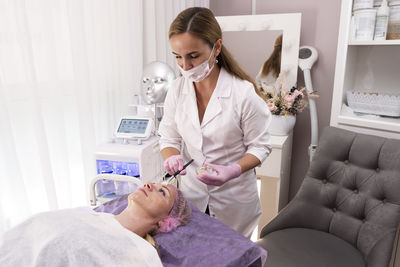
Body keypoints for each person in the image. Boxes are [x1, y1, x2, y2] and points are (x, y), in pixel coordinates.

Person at [158, 7, 272, 238]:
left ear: (216, 47)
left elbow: (260, 146)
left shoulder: (243, 94)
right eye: (178, 57)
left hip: (235, 200)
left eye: (193, 56)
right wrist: (171, 156)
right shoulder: (177, 90)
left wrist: (232, 170)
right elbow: (168, 137)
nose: (185, 66)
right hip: (193, 197)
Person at [0, 183, 191, 267]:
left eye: (162, 192)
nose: (149, 184)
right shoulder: (87, 213)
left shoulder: (139, 253)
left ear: (165, 220)